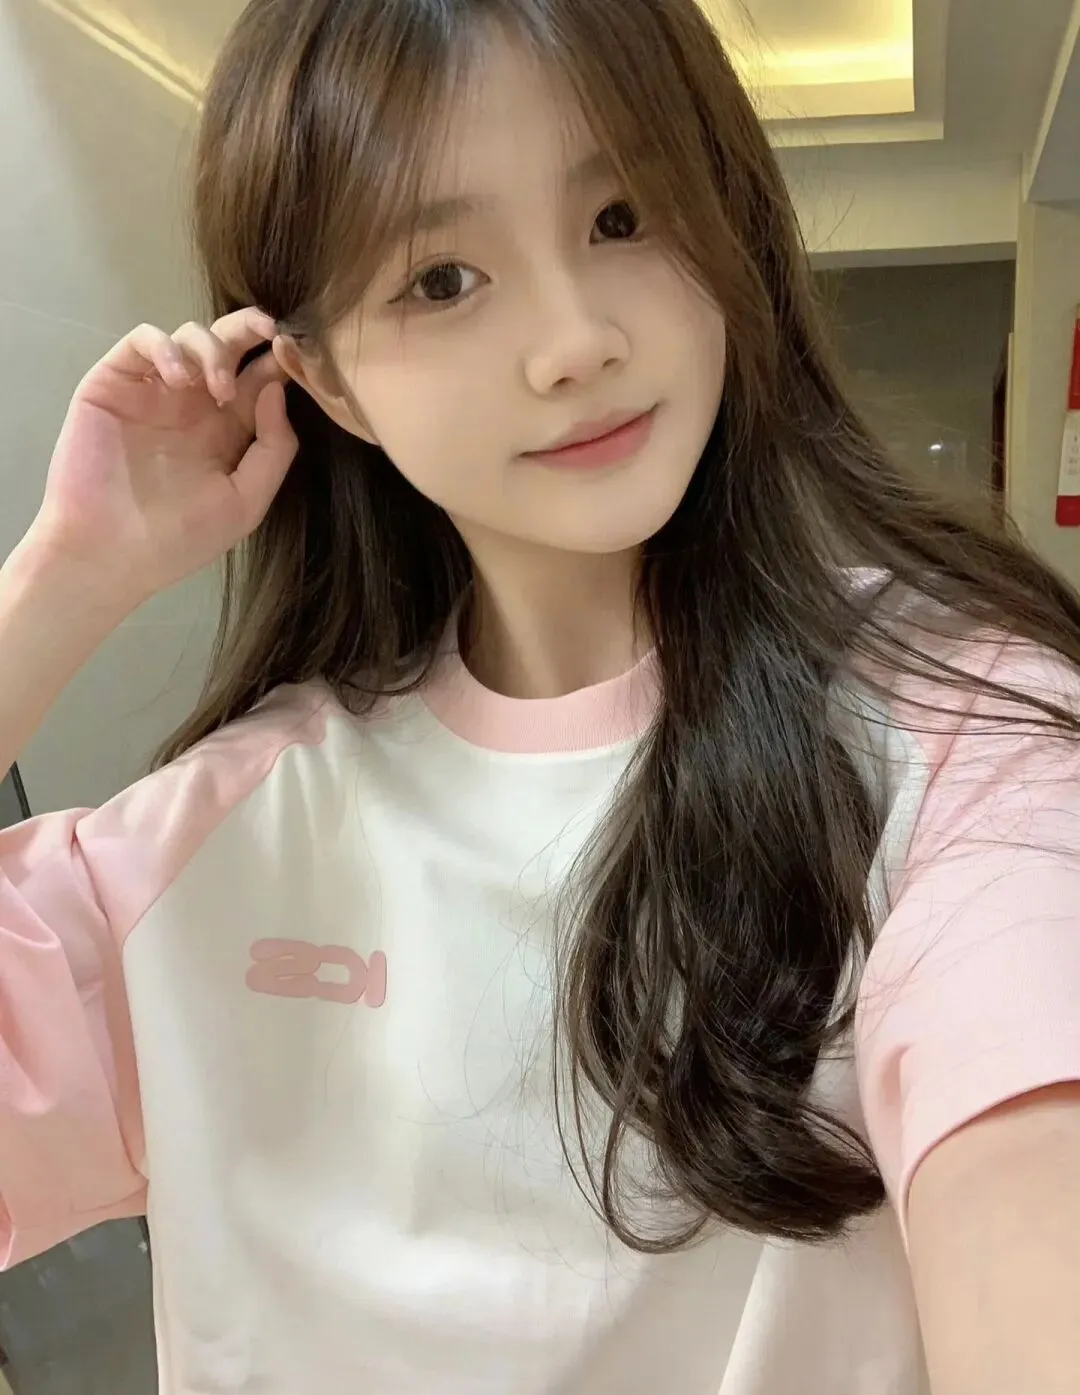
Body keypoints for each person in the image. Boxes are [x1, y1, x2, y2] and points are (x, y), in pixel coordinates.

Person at [2, 0, 1079, 1390]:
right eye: (442, 278)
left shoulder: (963, 732)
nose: (574, 341)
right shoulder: (214, 837)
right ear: (325, 381)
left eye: (623, 217)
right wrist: (62, 582)